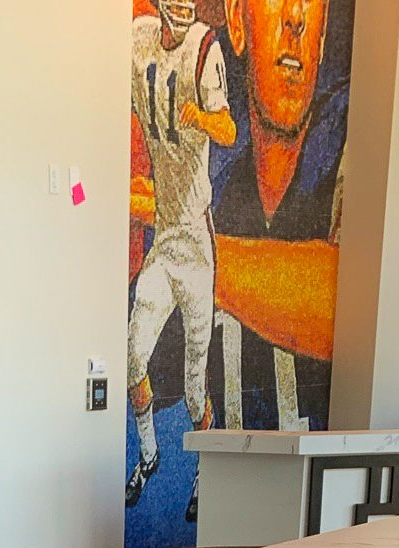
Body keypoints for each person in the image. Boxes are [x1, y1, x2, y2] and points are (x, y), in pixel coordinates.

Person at [211, 0, 346, 433]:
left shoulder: (357, 132)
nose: (295, 17)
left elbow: (349, 303)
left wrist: (189, 254)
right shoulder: (222, 181)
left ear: (322, 36)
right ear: (237, 21)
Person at [126, 0, 236, 513]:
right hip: (164, 237)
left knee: (195, 384)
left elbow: (230, 130)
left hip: (194, 242)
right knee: (131, 358)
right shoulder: (138, 39)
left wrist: (203, 118)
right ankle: (149, 455)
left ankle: (203, 473)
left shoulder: (203, 49)